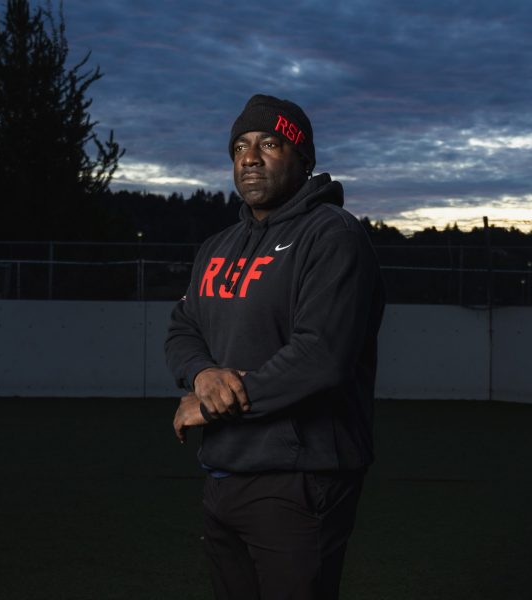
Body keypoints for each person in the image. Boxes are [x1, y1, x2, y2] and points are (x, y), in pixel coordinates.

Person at [165, 94, 384, 600]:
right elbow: (182, 328)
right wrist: (202, 375)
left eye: (269, 144)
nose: (250, 157)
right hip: (224, 472)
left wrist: (213, 405)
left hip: (301, 477)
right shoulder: (217, 247)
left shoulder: (333, 236)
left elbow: (321, 356)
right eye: (239, 146)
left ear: (303, 158)